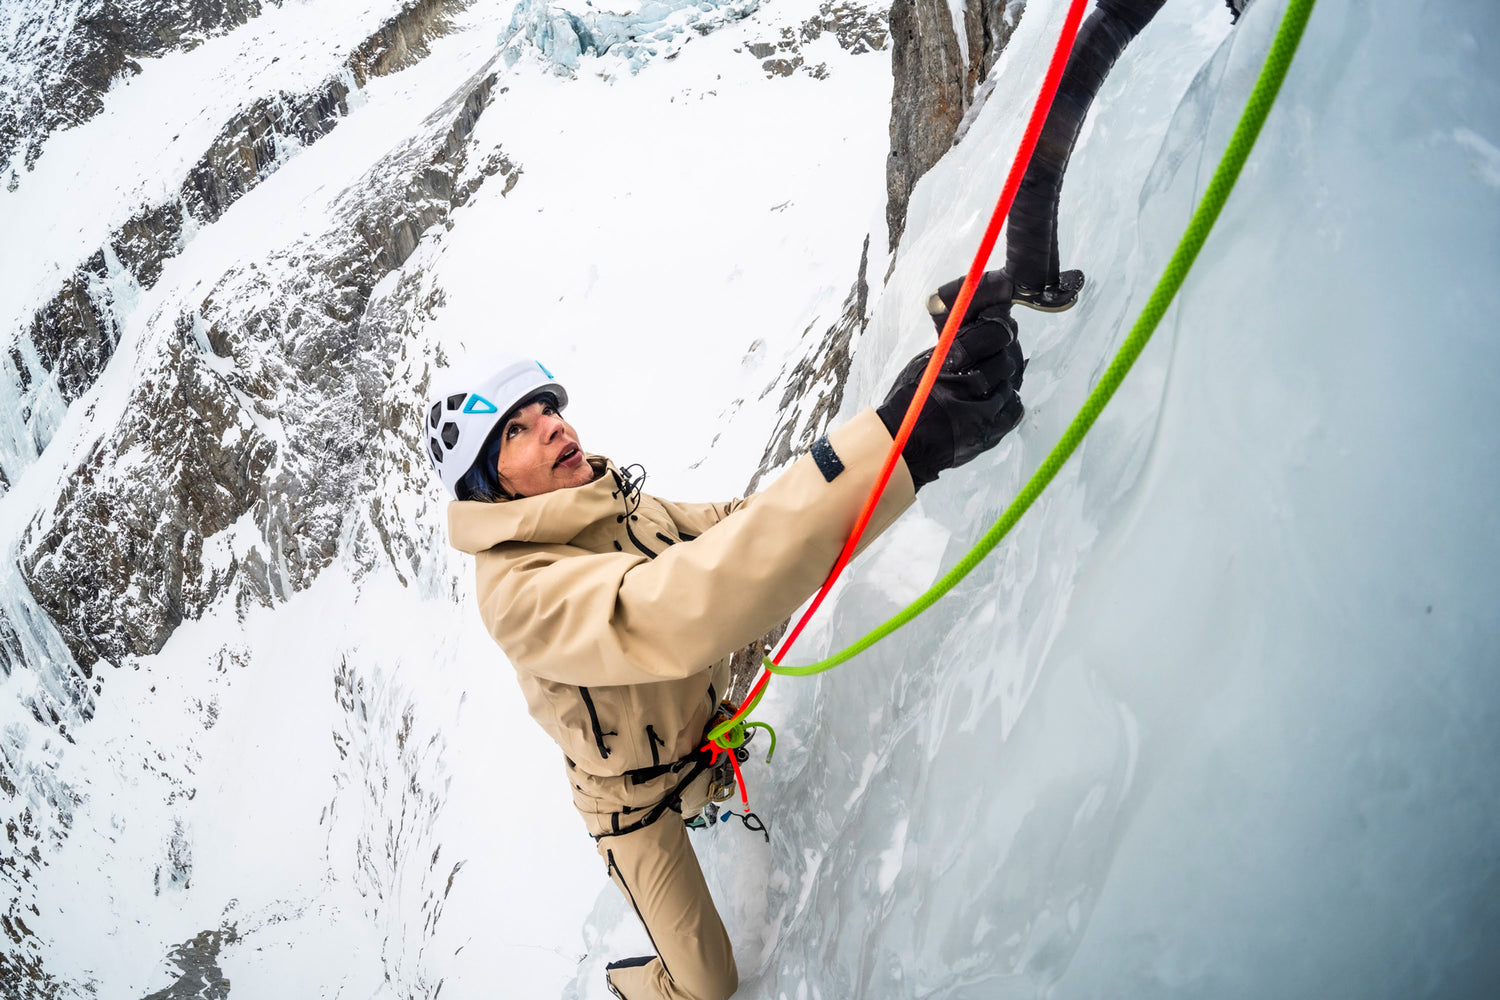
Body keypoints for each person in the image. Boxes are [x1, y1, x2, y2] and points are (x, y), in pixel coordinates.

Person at [426, 273, 1024, 999]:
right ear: (491, 485)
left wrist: (893, 424)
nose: (553, 424)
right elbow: (672, 608)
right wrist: (904, 444)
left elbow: (742, 526)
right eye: (516, 430)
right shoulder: (517, 594)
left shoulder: (617, 504)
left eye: (546, 408)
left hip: (701, 736)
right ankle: (626, 982)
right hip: (634, 802)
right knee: (707, 986)